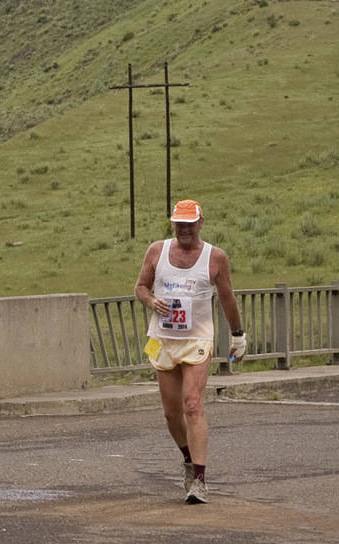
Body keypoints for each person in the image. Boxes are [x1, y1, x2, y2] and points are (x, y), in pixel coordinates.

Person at [134, 199, 246, 504]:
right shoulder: (157, 251)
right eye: (178, 223)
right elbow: (141, 287)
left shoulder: (215, 258)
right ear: (173, 224)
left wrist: (238, 336)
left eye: (189, 223)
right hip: (162, 339)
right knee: (171, 414)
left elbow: (227, 299)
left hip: (197, 340)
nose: (183, 229)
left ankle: (199, 479)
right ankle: (187, 458)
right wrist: (150, 301)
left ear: (200, 223)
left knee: (193, 405)